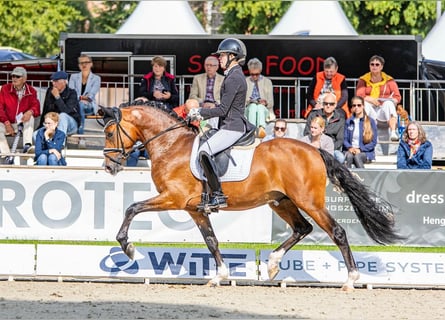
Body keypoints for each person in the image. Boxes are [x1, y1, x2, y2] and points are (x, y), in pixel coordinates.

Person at [188, 38, 254, 211]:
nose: (220, 59)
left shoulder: (234, 77)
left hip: (233, 126)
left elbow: (223, 109)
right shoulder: (233, 75)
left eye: (223, 55)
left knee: (204, 151)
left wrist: (200, 112)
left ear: (233, 56)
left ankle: (217, 195)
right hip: (228, 124)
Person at [356, 55, 401, 141]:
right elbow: (359, 95)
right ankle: (364, 131)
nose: (374, 66)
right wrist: (370, 99)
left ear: (381, 67)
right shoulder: (363, 79)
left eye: (377, 64)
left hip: (383, 111)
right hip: (371, 110)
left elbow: (397, 96)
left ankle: (393, 132)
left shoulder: (389, 80)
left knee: (389, 104)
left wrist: (392, 100)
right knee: (363, 104)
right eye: (372, 64)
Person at [0, 67, 41, 162]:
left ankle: (27, 146)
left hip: (21, 123)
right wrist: (6, 123)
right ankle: (6, 155)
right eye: (13, 76)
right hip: (6, 122)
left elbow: (36, 107)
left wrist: (30, 111)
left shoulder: (32, 91)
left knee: (30, 117)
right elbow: (0, 108)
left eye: (17, 76)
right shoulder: (5, 89)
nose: (14, 78)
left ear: (24, 79)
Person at [304, 92, 345, 163]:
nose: (328, 106)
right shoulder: (314, 115)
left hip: (331, 148)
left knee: (340, 157)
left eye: (331, 104)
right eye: (326, 103)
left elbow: (340, 140)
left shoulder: (340, 119)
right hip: (313, 145)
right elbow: (307, 133)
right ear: (322, 104)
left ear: (335, 105)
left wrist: (327, 148)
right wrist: (314, 145)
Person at [39, 71, 81, 136]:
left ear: (64, 82)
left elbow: (66, 111)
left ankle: (59, 144)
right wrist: (40, 126)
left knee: (62, 116)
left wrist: (57, 97)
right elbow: (45, 110)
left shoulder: (72, 93)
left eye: (56, 81)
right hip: (53, 123)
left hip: (71, 124)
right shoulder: (50, 91)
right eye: (52, 81)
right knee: (35, 135)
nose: (53, 84)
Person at [68, 54, 101, 134]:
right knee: (80, 104)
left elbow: (91, 95)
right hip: (75, 105)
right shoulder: (73, 77)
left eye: (86, 62)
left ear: (91, 64)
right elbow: (72, 93)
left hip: (89, 106)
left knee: (82, 104)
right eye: (81, 63)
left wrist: (80, 98)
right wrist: (82, 98)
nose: (84, 64)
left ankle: (80, 132)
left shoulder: (96, 78)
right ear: (79, 65)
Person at [189, 55, 223, 129]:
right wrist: (203, 103)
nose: (208, 67)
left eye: (211, 65)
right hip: (202, 105)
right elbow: (192, 95)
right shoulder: (197, 78)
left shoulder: (223, 79)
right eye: (207, 65)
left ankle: (212, 132)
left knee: (214, 112)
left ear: (217, 67)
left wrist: (215, 104)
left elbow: (225, 98)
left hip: (215, 106)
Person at [343, 96, 378, 169]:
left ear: (363, 106)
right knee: (349, 156)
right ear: (352, 107)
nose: (356, 107)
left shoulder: (370, 121)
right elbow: (345, 139)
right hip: (350, 150)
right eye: (354, 105)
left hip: (365, 152)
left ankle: (364, 178)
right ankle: (347, 178)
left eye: (359, 105)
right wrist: (350, 148)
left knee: (357, 157)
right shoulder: (349, 121)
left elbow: (373, 142)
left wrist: (360, 149)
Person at [245, 57, 275, 138]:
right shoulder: (245, 81)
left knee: (260, 107)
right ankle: (253, 130)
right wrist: (249, 101)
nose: (254, 76)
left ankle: (261, 128)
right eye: (252, 74)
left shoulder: (267, 82)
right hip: (249, 109)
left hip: (264, 109)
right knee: (253, 107)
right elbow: (241, 101)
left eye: (257, 74)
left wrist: (265, 102)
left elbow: (271, 103)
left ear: (260, 71)